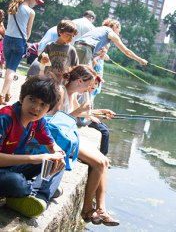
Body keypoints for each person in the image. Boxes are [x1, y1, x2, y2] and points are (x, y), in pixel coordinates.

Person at [50, 65, 119, 226]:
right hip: (59, 139)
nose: (90, 88)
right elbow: (57, 122)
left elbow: (78, 113)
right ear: (80, 80)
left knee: (105, 162)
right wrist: (81, 109)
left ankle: (101, 208)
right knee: (100, 163)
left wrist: (101, 112)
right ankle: (87, 209)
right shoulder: (60, 92)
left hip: (68, 136)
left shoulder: (72, 93)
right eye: (89, 85)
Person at [0, 76, 66, 218]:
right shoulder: (5, 118)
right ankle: (38, 189)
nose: (36, 108)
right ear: (22, 98)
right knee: (16, 182)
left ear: (48, 109)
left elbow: (52, 145)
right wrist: (35, 158)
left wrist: (57, 153)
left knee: (57, 161)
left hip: (11, 168)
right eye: (32, 100)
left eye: (43, 105)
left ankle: (37, 196)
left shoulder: (38, 121)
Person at [0, 0, 44, 105]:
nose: (36, 3)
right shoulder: (30, 12)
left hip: (7, 40)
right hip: (19, 41)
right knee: (12, 69)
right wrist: (25, 40)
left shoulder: (12, 7)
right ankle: (2, 94)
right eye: (36, 1)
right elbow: (28, 32)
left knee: (9, 68)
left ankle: (7, 93)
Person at [74, 18, 148, 66]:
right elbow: (126, 51)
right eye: (119, 31)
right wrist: (140, 60)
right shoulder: (110, 32)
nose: (118, 34)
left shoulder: (100, 28)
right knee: (84, 78)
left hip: (76, 46)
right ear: (116, 26)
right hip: (85, 49)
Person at [77, 75, 114, 155]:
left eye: (96, 83)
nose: (93, 85)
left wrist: (103, 113)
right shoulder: (83, 94)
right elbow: (78, 112)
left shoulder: (90, 94)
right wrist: (90, 116)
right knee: (104, 131)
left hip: (86, 119)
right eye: (92, 83)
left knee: (105, 127)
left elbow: (90, 111)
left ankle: (102, 154)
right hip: (82, 121)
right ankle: (103, 155)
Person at [0, 9, 5, 77]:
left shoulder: (1, 24)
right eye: (1, 15)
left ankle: (1, 71)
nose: (3, 16)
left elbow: (4, 34)